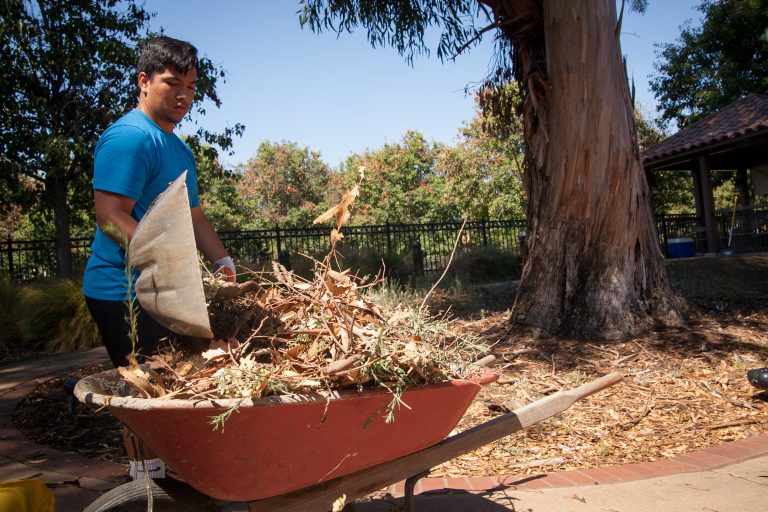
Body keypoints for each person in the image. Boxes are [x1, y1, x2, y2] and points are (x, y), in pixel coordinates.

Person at [82, 35, 235, 480]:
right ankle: (146, 485)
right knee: (149, 399)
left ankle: (178, 479)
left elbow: (195, 217)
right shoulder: (131, 138)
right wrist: (169, 262)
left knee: (180, 391)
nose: (183, 95)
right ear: (144, 81)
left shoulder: (177, 148)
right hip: (123, 294)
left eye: (191, 85)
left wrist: (222, 263)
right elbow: (110, 216)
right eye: (172, 83)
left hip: (165, 292)